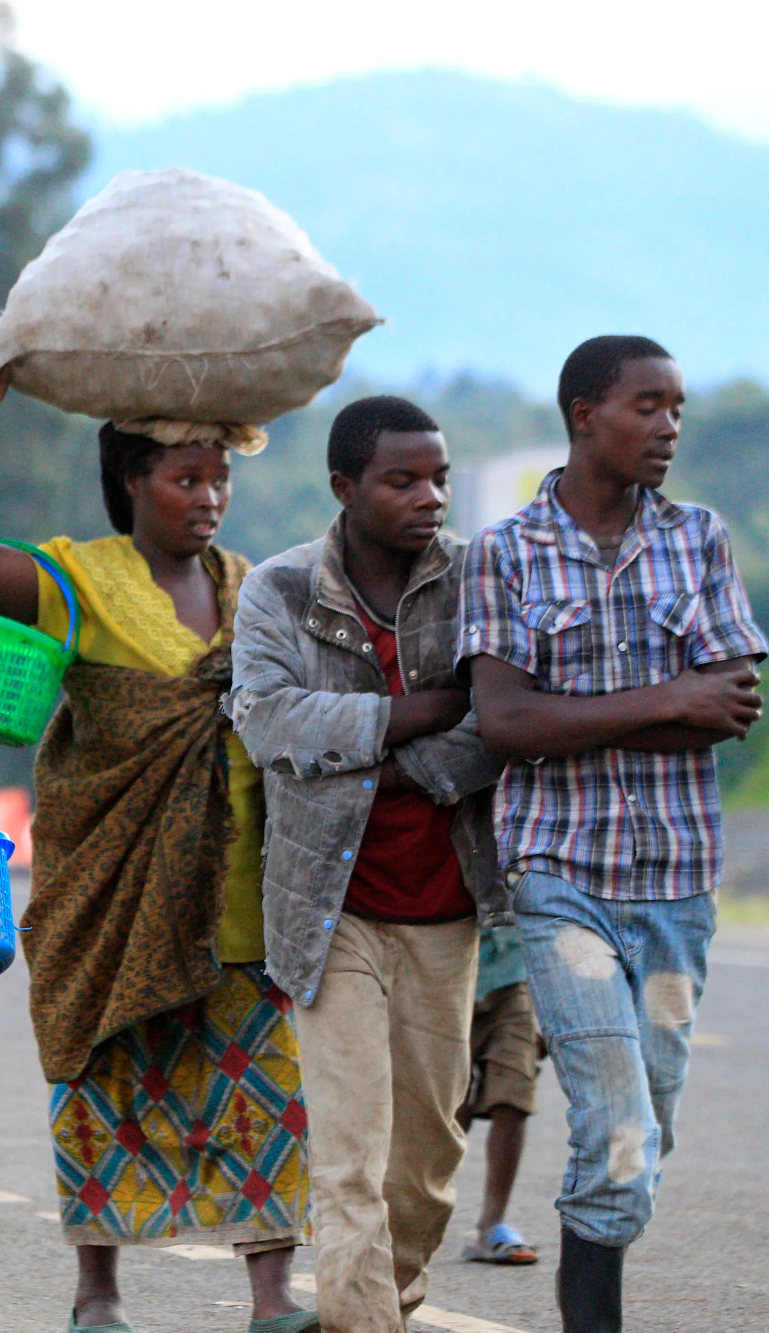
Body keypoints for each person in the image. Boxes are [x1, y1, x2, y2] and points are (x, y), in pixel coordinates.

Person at [0, 360, 311, 1333]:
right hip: (110, 888)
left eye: (218, 478)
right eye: (185, 478)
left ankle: (271, 1296)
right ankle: (95, 1291)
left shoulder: (251, 587)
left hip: (234, 895)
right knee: (104, 1081)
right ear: (131, 481)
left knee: (262, 1090)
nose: (208, 497)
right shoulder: (77, 578)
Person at [459, 335, 766, 1333]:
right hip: (560, 880)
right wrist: (666, 696)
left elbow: (727, 707)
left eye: (675, 407)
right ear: (582, 414)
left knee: (648, 1128)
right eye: (646, 405)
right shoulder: (503, 553)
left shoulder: (700, 539)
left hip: (675, 882)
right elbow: (504, 723)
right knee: (616, 1123)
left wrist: (594, 712)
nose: (666, 426)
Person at [227, 396, 510, 1333]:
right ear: (346, 488)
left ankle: (385, 1304)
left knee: (424, 1168)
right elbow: (266, 719)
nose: (429, 495)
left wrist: (404, 751)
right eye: (402, 479)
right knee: (350, 1161)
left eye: (437, 475)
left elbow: (499, 725)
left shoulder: (480, 579)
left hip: (448, 909)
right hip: (327, 908)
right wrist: (408, 713)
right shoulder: (279, 588)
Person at [456, 922, 544, 1266]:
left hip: (511, 979)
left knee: (514, 1095)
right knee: (444, 1105)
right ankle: (417, 1210)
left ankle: (492, 1225)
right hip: (442, 977)